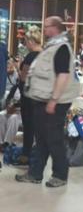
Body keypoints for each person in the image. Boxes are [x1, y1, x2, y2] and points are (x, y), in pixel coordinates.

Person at [16, 16, 80, 187]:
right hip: (42, 99)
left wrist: (54, 100)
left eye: (46, 27)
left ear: (55, 28)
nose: (43, 30)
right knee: (42, 138)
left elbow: (63, 75)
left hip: (54, 102)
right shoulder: (51, 47)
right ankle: (35, 173)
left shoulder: (61, 48)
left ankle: (60, 175)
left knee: (54, 138)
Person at [16, 25, 42, 164]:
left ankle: (26, 154)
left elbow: (24, 78)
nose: (25, 44)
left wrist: (18, 68)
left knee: (29, 126)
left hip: (28, 97)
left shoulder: (30, 56)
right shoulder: (44, 55)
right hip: (41, 97)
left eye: (26, 41)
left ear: (31, 41)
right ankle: (38, 154)